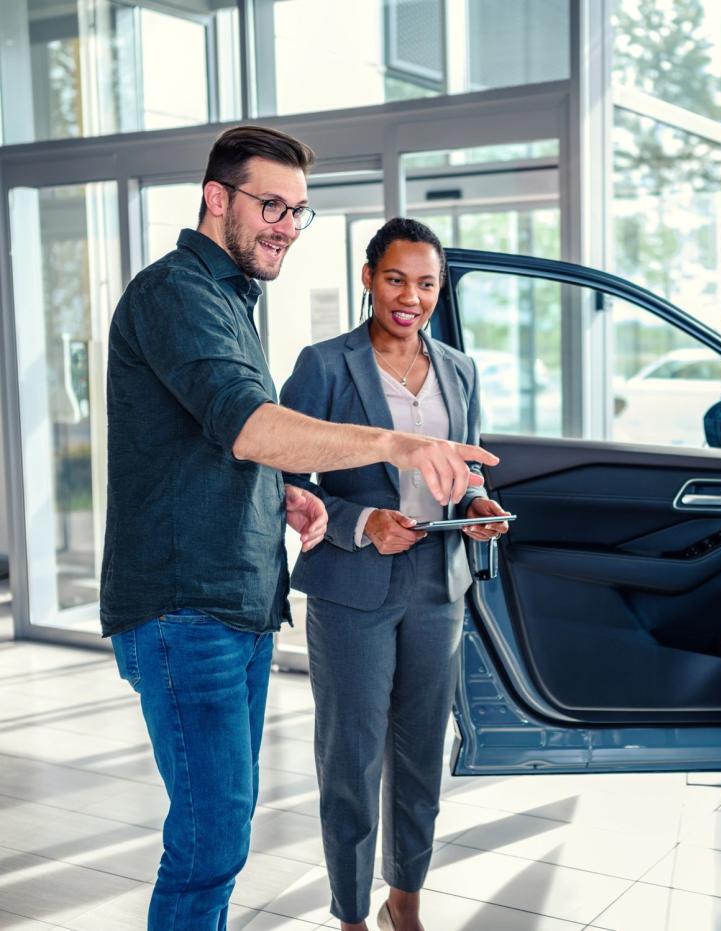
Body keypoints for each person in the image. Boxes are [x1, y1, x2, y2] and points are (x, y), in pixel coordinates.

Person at [101, 127, 497, 931]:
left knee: (221, 833)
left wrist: (286, 499)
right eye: (270, 204)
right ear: (217, 198)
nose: (284, 223)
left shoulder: (232, 302)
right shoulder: (178, 292)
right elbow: (251, 426)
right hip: (188, 607)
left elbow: (228, 451)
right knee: (211, 840)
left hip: (240, 604)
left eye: (297, 211)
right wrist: (398, 448)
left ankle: (399, 899)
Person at [279, 217, 510, 931]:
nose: (411, 296)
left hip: (437, 585)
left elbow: (463, 466)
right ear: (368, 278)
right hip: (353, 588)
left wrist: (475, 501)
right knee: (351, 761)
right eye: (395, 279)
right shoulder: (323, 366)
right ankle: (350, 915)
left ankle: (402, 903)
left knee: (420, 757)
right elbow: (283, 475)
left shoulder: (459, 369)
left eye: (426, 283)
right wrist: (359, 522)